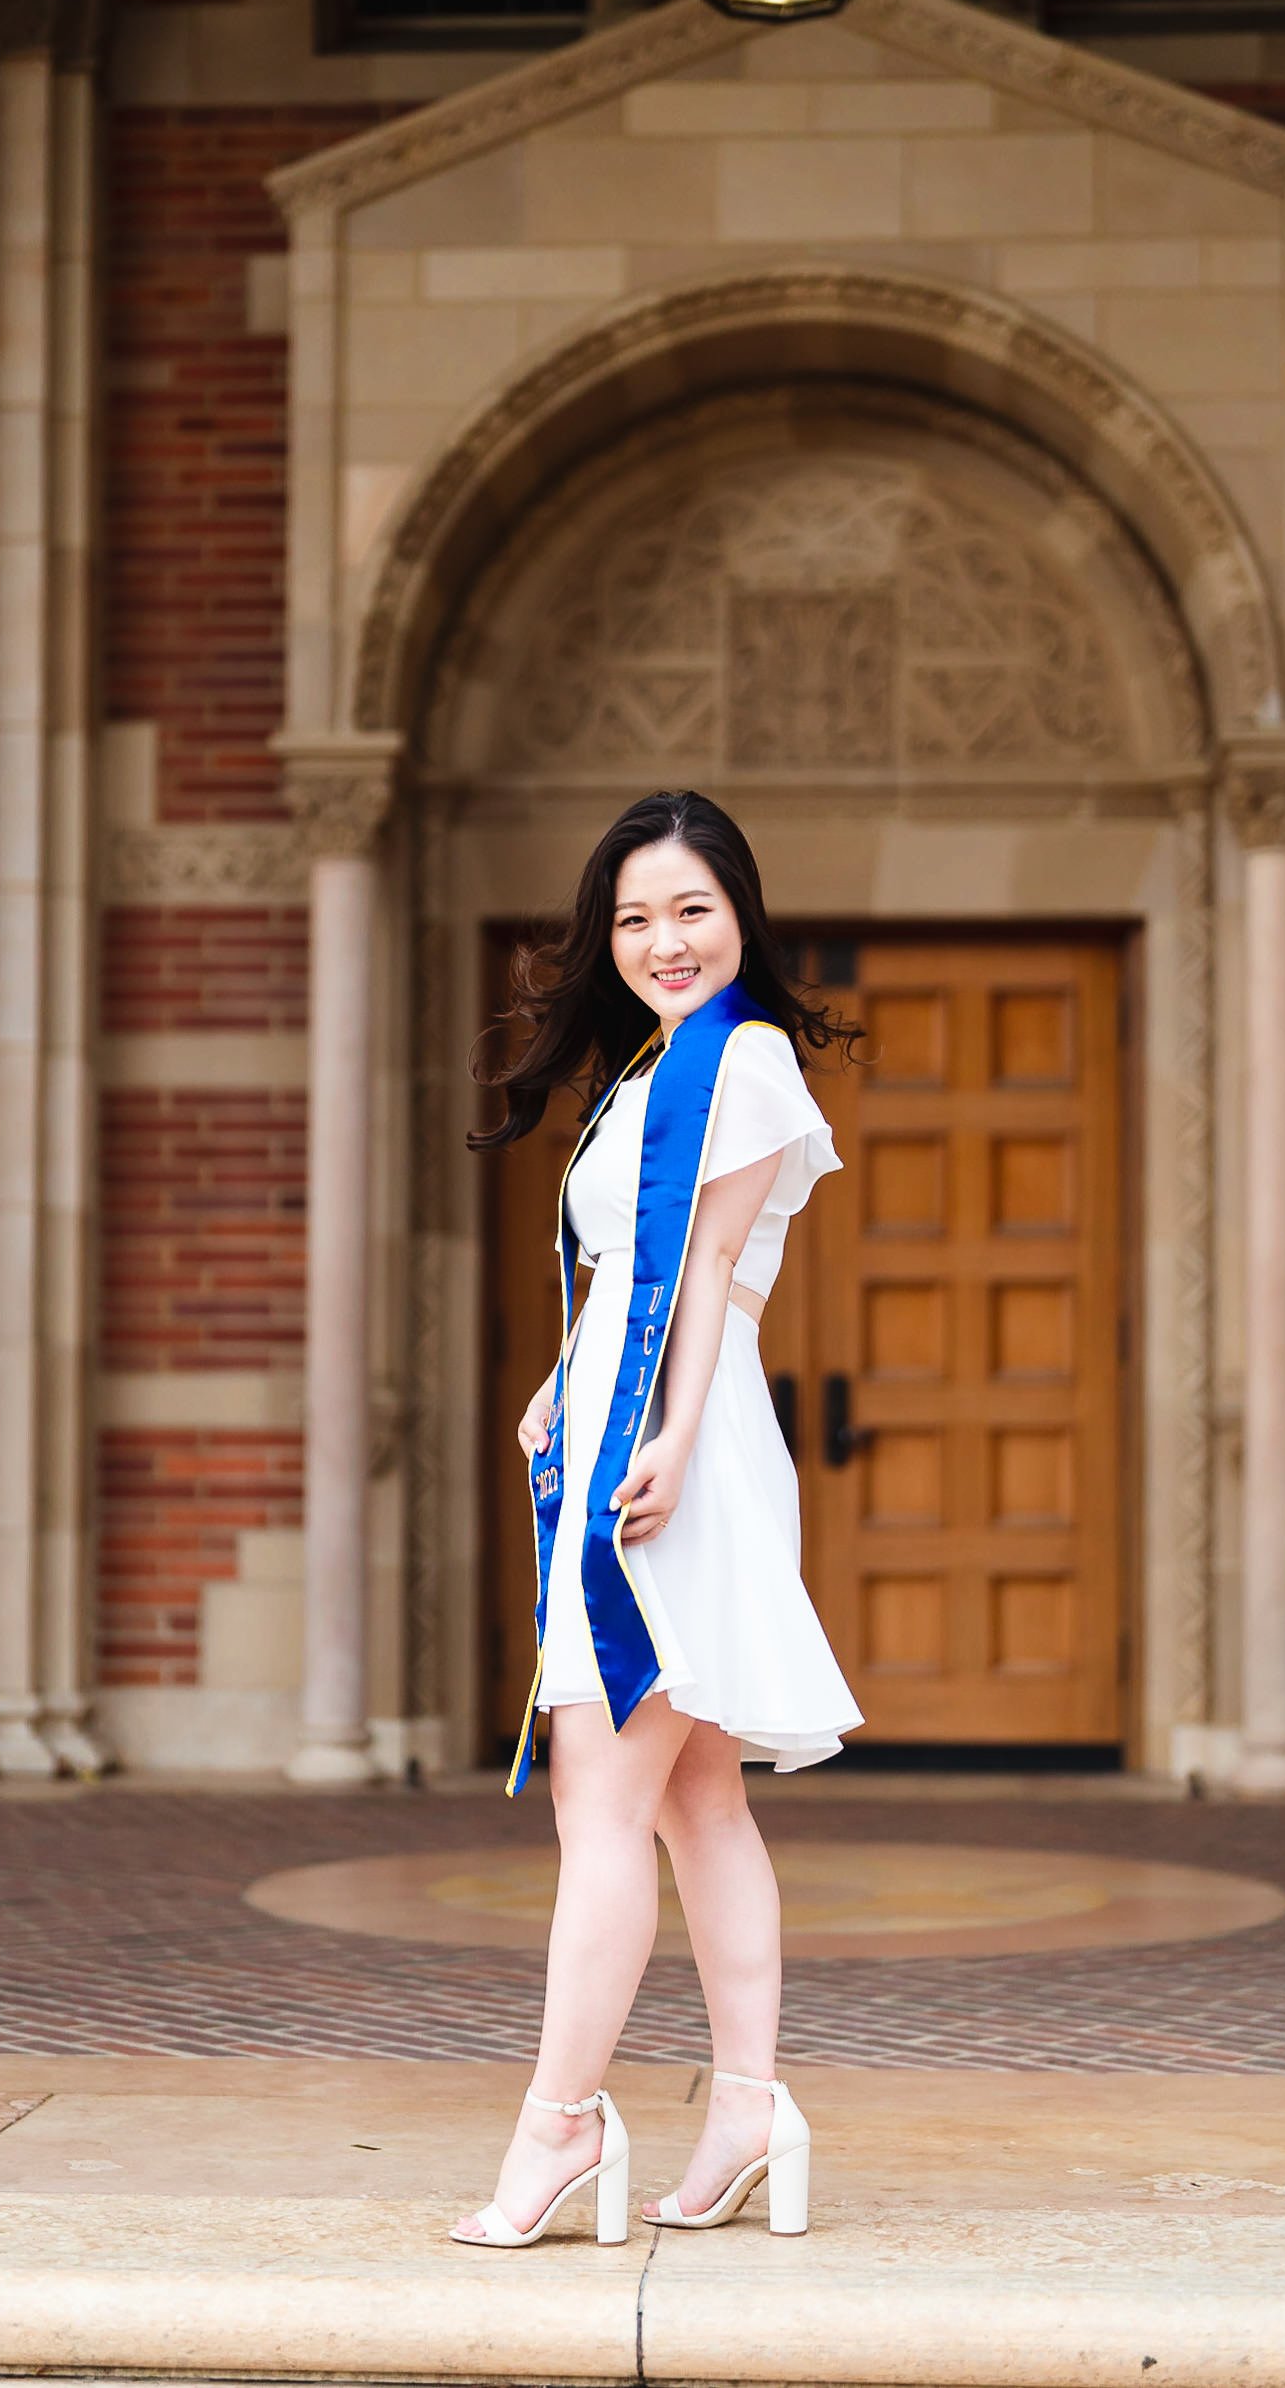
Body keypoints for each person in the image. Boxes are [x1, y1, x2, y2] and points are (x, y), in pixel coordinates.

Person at [456, 789, 864, 2250]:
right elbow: (627, 1275)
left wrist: (674, 1433)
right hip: (650, 1426)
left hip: (679, 1450)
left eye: (690, 907)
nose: (661, 939)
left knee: (601, 1802)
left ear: (741, 912)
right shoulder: (655, 1067)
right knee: (696, 1800)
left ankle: (561, 2128)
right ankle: (748, 2106)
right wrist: (561, 1386)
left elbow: (702, 1279)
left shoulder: (741, 1062)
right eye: (633, 916)